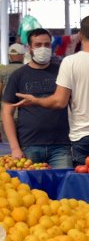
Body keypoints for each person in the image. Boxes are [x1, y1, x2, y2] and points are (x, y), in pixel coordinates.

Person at [12, 16, 89, 166]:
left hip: (82, 137)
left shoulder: (70, 62)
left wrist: (36, 100)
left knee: (84, 183)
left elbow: (60, 102)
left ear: (80, 35)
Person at [1, 29, 71, 168]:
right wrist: (15, 148)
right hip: (29, 145)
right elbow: (7, 113)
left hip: (61, 146)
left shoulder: (62, 72)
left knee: (64, 186)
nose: (43, 49)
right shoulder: (18, 75)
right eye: (38, 45)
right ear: (29, 48)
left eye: (46, 44)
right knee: (30, 189)